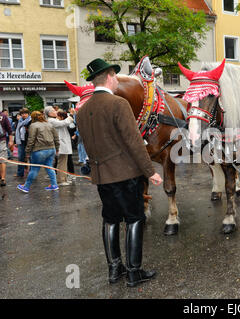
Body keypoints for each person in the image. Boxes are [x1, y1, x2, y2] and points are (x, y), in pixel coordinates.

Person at [76, 58, 163, 287]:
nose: (116, 80)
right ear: (109, 77)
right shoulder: (118, 104)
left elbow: (89, 145)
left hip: (102, 177)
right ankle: (134, 272)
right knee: (135, 219)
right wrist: (150, 171)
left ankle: (115, 270)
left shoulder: (83, 111)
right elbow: (134, 142)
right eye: (115, 76)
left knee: (110, 221)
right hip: (125, 175)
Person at [17, 111, 59, 193]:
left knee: (34, 169)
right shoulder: (49, 124)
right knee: (49, 167)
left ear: (32, 118)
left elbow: (31, 140)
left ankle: (26, 187)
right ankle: (54, 185)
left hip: (39, 150)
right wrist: (57, 148)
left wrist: (27, 152)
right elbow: (56, 137)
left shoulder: (33, 125)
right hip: (51, 149)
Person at [45, 106, 74, 186]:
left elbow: (64, 122)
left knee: (63, 162)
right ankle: (61, 180)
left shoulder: (54, 120)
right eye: (54, 111)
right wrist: (71, 115)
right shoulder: (51, 120)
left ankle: (63, 179)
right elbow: (63, 123)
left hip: (63, 143)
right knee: (62, 162)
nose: (56, 112)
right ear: (49, 113)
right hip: (61, 144)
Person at [14, 108, 31, 178]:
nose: (24, 115)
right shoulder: (20, 121)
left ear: (28, 114)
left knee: (31, 157)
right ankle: (20, 173)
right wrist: (16, 141)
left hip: (29, 141)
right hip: (21, 141)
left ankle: (32, 173)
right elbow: (17, 131)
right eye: (22, 114)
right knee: (20, 157)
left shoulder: (31, 121)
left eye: (25, 113)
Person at [0, 109, 14, 186]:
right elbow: (9, 129)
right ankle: (3, 178)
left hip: (2, 140)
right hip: (2, 140)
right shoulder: (3, 116)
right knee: (2, 160)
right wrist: (11, 141)